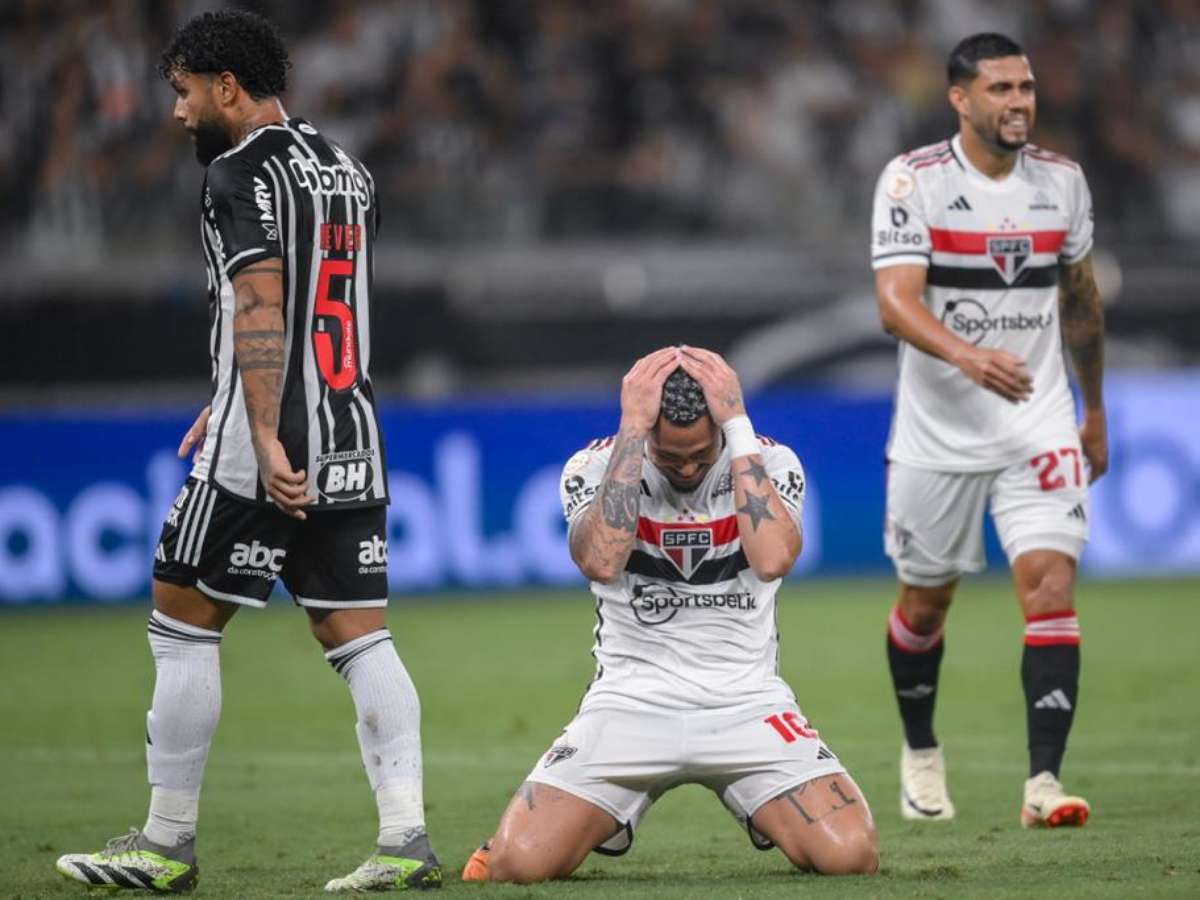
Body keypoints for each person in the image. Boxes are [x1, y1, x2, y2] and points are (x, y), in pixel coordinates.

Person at [55, 11, 440, 893]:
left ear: (226, 86)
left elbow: (265, 302)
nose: (179, 111)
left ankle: (165, 845)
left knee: (181, 618)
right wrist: (233, 388)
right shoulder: (348, 168)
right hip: (350, 434)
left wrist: (259, 428)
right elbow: (319, 303)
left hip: (264, 446)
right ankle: (405, 840)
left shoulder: (235, 174)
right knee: (359, 634)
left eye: (185, 91)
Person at [461, 346, 879, 883]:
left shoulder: (770, 462)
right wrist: (632, 432)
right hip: (629, 703)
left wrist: (739, 427)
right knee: (516, 864)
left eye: (700, 455)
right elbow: (601, 561)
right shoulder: (594, 466)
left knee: (851, 855)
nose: (685, 468)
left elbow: (774, 558)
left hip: (747, 703)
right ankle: (595, 818)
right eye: (669, 455)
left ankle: (751, 800)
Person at [870, 32, 1107, 827]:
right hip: (938, 434)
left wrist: (1094, 408)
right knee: (924, 607)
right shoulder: (914, 182)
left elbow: (1080, 302)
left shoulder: (1062, 182)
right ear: (960, 99)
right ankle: (920, 752)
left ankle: (1044, 785)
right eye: (1000, 89)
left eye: (1026, 88)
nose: (1018, 103)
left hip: (1038, 422)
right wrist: (969, 357)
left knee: (1051, 585)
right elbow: (894, 302)